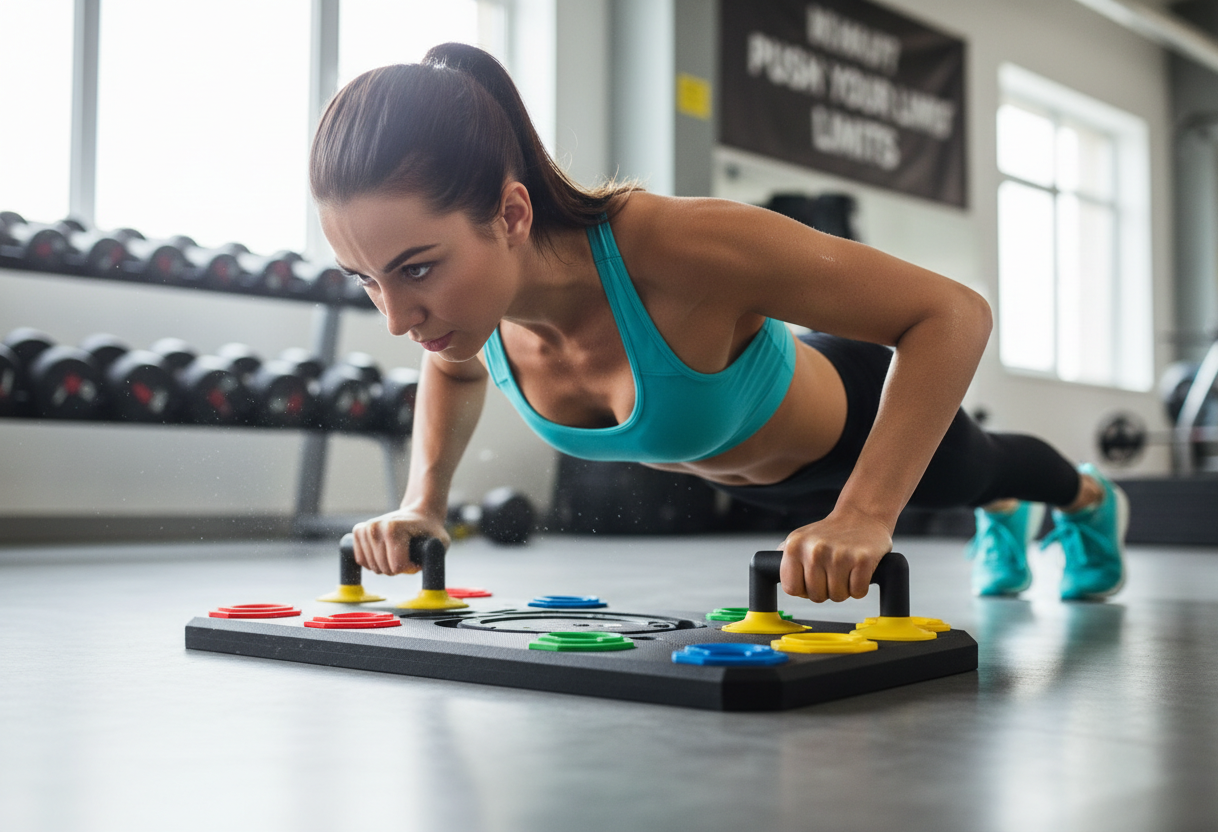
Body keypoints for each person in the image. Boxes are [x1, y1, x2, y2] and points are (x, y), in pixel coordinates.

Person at [312, 42, 1127, 604]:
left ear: (513, 211)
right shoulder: (466, 316)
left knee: (982, 473)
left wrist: (868, 512)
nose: (396, 319)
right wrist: (424, 500)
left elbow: (951, 312)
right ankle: (1007, 518)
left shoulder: (676, 246)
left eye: (416, 268)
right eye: (367, 281)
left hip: (851, 430)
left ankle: (1089, 503)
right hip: (769, 495)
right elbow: (452, 370)